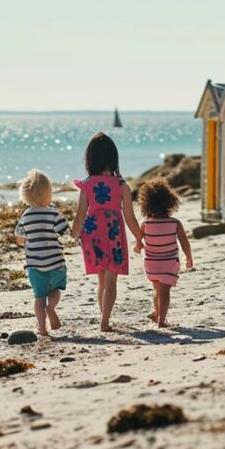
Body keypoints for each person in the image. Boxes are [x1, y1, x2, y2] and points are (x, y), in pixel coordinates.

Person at [70, 133, 142, 331]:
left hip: (92, 233)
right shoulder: (121, 186)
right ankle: (105, 322)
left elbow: (79, 216)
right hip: (113, 233)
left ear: (90, 159)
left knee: (101, 279)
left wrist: (71, 237)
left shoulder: (86, 185)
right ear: (113, 158)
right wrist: (139, 238)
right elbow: (130, 218)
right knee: (111, 280)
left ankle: (104, 318)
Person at [14, 169, 70, 337]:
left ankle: (42, 328)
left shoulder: (26, 216)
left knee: (39, 297)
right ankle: (51, 308)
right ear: (49, 193)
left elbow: (18, 238)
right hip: (55, 263)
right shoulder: (53, 213)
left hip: (35, 265)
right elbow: (65, 232)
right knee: (55, 290)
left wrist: (29, 243)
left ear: (25, 195)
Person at [134, 177, 193, 328]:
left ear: (146, 203)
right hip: (169, 262)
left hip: (151, 263)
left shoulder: (145, 224)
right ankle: (161, 320)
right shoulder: (175, 223)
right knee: (164, 292)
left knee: (156, 289)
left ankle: (156, 312)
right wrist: (189, 257)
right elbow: (184, 242)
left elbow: (139, 242)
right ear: (169, 201)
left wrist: (138, 246)